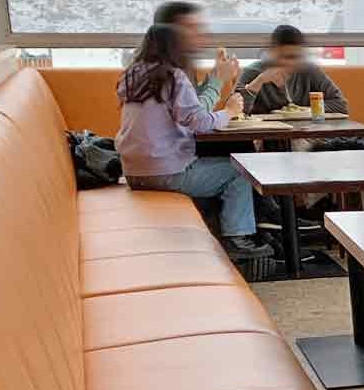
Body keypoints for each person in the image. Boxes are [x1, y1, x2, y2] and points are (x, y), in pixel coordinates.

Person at [114, 23, 267, 263]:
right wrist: (229, 111)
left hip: (133, 173)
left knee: (218, 164)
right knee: (240, 171)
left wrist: (215, 80)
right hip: (167, 173)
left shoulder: (131, 76)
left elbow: (187, 112)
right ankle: (238, 240)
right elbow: (199, 122)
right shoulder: (173, 77)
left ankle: (222, 230)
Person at [234, 24, 350, 116]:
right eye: (285, 56)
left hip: (309, 134)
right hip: (268, 137)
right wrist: (257, 83)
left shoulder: (310, 71)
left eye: (296, 57)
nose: (290, 63)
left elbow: (341, 105)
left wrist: (304, 111)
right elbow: (233, 113)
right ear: (272, 52)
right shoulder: (253, 72)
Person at [151, 0, 238, 109]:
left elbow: (193, 101)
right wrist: (218, 80)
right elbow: (194, 116)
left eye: (200, 27)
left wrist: (215, 74)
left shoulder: (183, 63)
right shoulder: (161, 71)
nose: (201, 33)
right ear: (168, 34)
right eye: (191, 27)